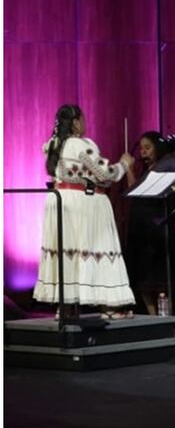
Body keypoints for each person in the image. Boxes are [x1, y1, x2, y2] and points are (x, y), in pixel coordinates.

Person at [35, 105, 136, 319]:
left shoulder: (54, 145)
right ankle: (110, 306)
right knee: (98, 247)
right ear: (75, 122)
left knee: (70, 252)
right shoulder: (80, 144)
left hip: (61, 201)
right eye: (83, 119)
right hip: (85, 202)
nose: (86, 124)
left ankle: (66, 306)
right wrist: (124, 165)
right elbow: (105, 174)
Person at [124, 131, 175, 315]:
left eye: (148, 148)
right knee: (142, 278)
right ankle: (154, 316)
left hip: (157, 228)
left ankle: (164, 316)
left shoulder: (164, 168)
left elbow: (138, 192)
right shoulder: (145, 169)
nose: (143, 153)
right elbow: (133, 193)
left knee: (160, 279)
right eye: (142, 149)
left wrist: (129, 169)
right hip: (141, 228)